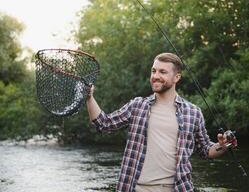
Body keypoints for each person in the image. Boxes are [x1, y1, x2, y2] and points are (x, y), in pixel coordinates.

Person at [86, 53, 237, 192]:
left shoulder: (193, 112)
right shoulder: (137, 105)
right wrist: (89, 98)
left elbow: (205, 149)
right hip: (136, 188)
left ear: (177, 77)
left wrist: (222, 146)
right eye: (153, 71)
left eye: (162, 72)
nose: (155, 76)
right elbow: (104, 124)